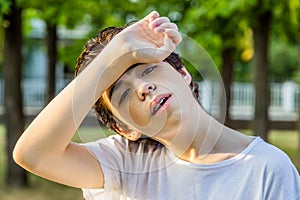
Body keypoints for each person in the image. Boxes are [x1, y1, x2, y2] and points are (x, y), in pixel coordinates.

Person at [13, 11, 300, 200]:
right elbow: (33, 154)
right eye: (122, 95)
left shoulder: (267, 169)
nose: (142, 88)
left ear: (183, 73)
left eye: (148, 69)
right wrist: (116, 52)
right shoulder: (125, 163)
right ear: (123, 128)